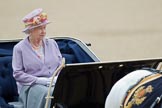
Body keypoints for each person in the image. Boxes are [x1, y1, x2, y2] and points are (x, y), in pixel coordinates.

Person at [12, 8, 62, 108]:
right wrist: (39, 80)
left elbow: (60, 65)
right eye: (40, 28)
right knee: (50, 92)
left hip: (53, 83)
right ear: (30, 30)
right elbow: (17, 74)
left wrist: (58, 78)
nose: (43, 31)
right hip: (30, 86)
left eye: (44, 28)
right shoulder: (19, 48)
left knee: (67, 89)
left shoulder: (52, 43)